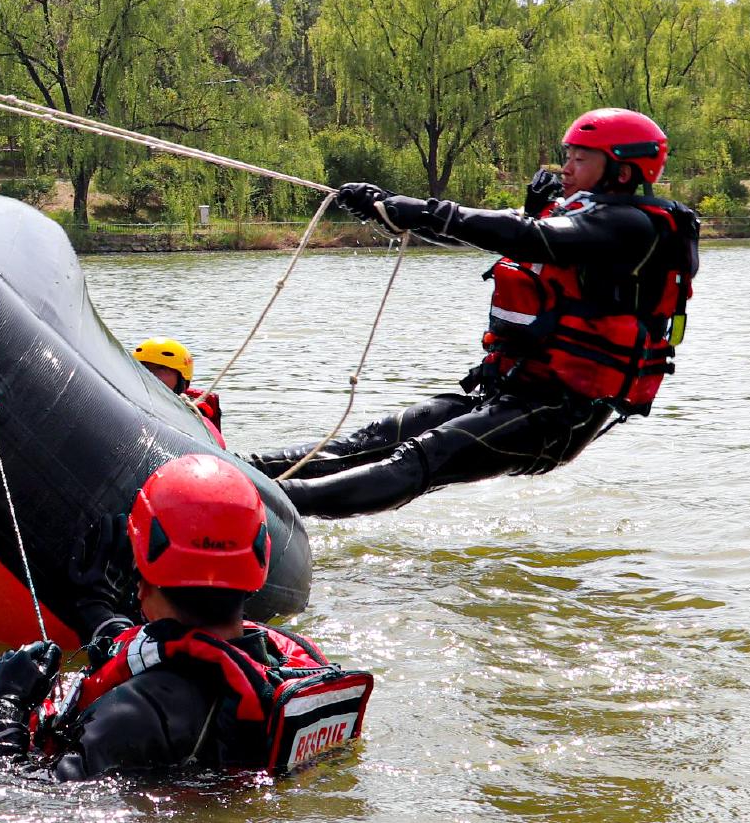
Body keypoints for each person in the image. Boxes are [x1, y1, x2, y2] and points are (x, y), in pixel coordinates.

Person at [250, 107, 698, 518]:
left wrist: (417, 210)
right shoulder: (572, 217)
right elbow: (485, 233)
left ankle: (252, 507)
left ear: (622, 171)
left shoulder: (634, 227)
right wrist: (388, 207)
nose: (566, 168)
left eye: (581, 159)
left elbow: (531, 237)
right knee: (364, 443)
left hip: (559, 414)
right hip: (505, 394)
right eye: (568, 156)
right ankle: (240, 470)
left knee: (415, 460)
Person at [0, 453, 373, 781]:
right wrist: (96, 607)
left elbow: (10, 800)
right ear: (260, 561)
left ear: (142, 575)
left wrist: (4, 706)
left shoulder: (136, 714)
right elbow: (171, 656)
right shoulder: (285, 657)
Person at [132, 336, 226, 446]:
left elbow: (219, 446)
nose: (149, 374)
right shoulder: (127, 403)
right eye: (144, 367)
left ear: (181, 379)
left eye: (161, 368)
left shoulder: (194, 416)